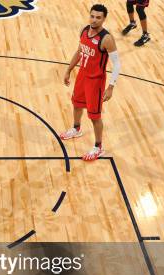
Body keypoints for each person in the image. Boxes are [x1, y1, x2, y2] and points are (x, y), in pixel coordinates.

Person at [59, 4, 121, 161]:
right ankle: (76, 128)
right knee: (77, 104)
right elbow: (80, 51)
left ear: (104, 19)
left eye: (98, 17)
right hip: (82, 76)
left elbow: (117, 64)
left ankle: (98, 147)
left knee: (94, 116)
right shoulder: (84, 30)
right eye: (92, 16)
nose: (94, 20)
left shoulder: (106, 38)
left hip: (95, 82)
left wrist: (111, 87)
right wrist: (68, 70)